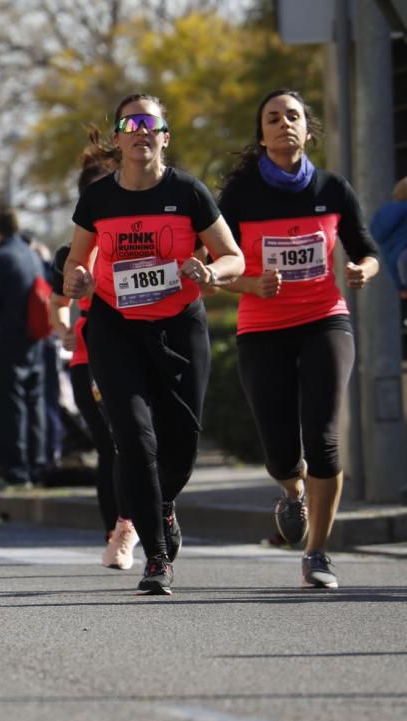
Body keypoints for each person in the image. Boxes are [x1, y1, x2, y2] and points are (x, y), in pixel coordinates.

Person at [63, 93, 244, 595]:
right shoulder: (98, 198)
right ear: (118, 137)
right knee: (134, 440)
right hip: (114, 328)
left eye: (151, 123)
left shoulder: (188, 192)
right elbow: (76, 262)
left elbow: (235, 258)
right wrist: (76, 279)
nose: (141, 130)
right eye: (131, 122)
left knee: (181, 445)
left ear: (164, 136)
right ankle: (157, 558)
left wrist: (211, 269)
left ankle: (163, 505)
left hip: (179, 329)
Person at [218, 89, 379, 589]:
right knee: (280, 449)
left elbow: (366, 249)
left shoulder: (333, 188)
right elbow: (216, 270)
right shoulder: (240, 195)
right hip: (262, 328)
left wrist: (361, 269)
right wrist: (250, 282)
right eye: (272, 117)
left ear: (308, 130)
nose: (284, 123)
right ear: (260, 132)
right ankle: (292, 492)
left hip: (325, 318)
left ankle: (318, 554)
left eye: (293, 116)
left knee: (325, 437)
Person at [48, 144, 138, 569]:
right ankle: (116, 531)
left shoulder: (139, 236)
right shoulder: (72, 252)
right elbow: (57, 299)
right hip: (89, 359)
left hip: (141, 352)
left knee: (139, 445)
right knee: (111, 447)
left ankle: (148, 521)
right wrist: (64, 327)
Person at [0, 204, 46, 487]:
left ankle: (15, 471)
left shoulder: (0, 257)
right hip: (34, 337)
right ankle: (37, 465)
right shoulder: (31, 255)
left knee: (9, 405)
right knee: (34, 402)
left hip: (7, 339)